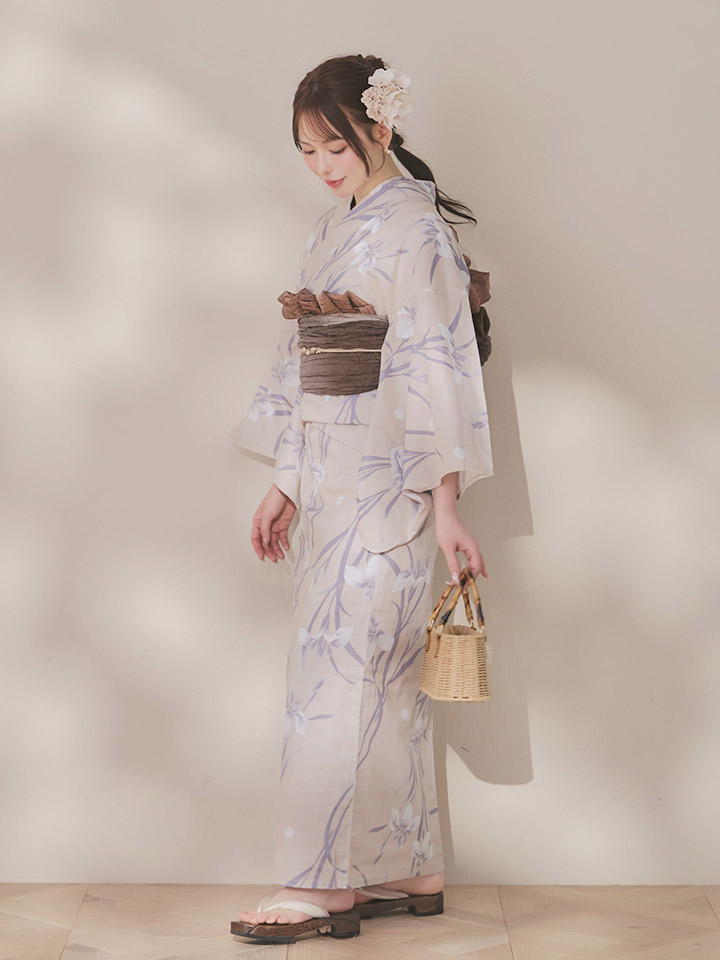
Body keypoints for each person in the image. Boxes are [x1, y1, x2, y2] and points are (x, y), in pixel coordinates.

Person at [228, 53, 493, 944]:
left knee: (340, 681)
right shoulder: (331, 228)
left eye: (334, 146)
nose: (322, 166)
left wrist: (446, 504)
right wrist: (286, 479)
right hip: (330, 477)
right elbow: (305, 360)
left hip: (388, 479)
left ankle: (320, 884)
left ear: (380, 128)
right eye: (307, 150)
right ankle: (408, 864)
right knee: (376, 683)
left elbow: (436, 365)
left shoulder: (415, 231)